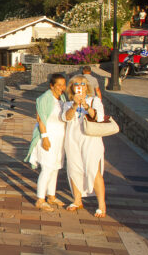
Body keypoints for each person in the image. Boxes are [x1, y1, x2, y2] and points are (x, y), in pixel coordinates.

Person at [62, 76, 107, 218]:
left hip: (91, 139)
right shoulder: (68, 103)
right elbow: (66, 118)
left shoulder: (95, 101)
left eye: (82, 84)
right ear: (72, 87)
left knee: (93, 170)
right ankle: (77, 200)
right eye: (76, 84)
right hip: (73, 139)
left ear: (87, 87)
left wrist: (86, 106)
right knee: (74, 169)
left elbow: (99, 117)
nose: (79, 86)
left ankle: (101, 205)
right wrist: (75, 105)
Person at [25, 73, 67, 211]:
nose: (62, 87)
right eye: (59, 85)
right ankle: (40, 199)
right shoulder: (44, 98)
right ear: (52, 86)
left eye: (63, 85)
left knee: (55, 167)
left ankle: (51, 196)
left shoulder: (62, 98)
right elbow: (40, 119)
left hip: (59, 138)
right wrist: (45, 137)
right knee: (47, 168)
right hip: (48, 136)